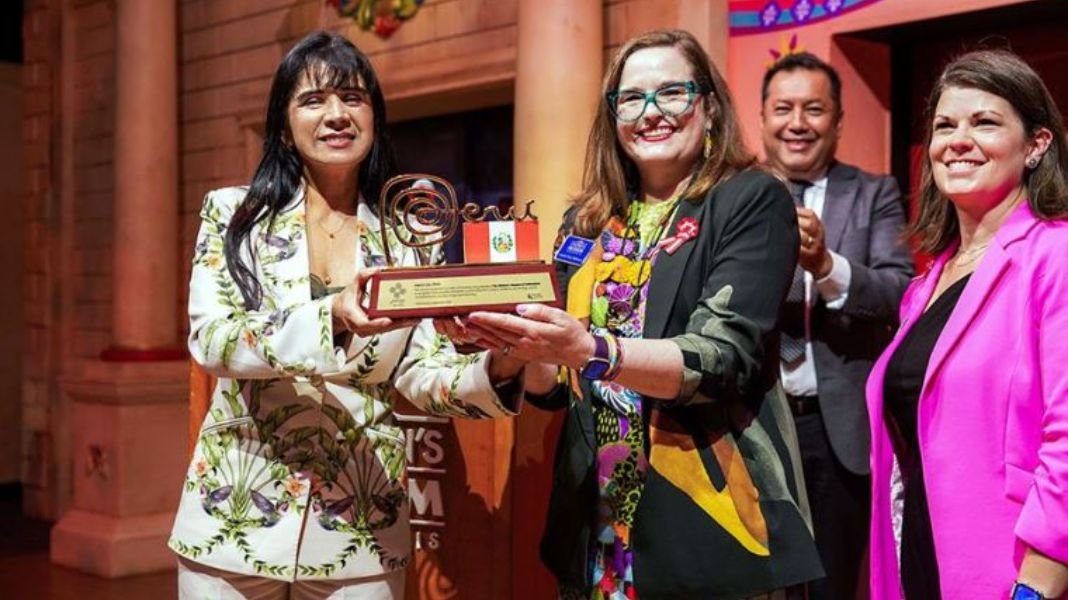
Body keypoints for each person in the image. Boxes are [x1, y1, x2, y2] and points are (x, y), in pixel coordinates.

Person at [454, 29, 822, 599]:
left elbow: (722, 358)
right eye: (631, 98)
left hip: (711, 526)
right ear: (613, 116)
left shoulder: (750, 199)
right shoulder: (587, 220)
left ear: (709, 105)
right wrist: (512, 340)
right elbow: (557, 388)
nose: (651, 113)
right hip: (598, 519)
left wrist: (591, 350)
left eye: (672, 92)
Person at [169, 31, 525, 599]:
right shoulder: (235, 216)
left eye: (353, 98)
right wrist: (330, 316)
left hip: (359, 526)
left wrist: (504, 363)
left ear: (374, 118)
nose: (336, 114)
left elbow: (423, 372)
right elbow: (213, 340)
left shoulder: (409, 236)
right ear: (284, 126)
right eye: (314, 100)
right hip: (234, 515)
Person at [866, 49, 1068, 599]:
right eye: (945, 126)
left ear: (1036, 145)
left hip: (1015, 570)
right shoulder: (924, 286)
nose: (958, 140)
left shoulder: (1054, 255)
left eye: (984, 122)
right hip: (920, 558)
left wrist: (1037, 585)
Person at [758, 52, 914, 600]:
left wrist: (826, 266)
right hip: (753, 420)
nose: (797, 123)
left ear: (838, 121)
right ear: (762, 118)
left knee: (831, 585)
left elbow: (900, 293)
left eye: (814, 109)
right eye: (783, 109)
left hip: (836, 429)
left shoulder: (874, 193)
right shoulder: (733, 196)